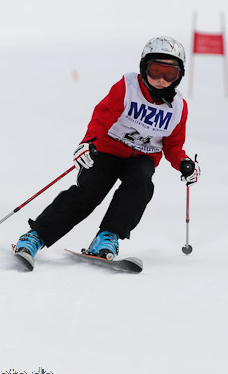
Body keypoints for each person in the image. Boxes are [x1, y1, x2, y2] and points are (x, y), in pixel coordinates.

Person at [13, 36, 201, 267]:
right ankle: (36, 236)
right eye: (156, 71)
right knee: (89, 193)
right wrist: (88, 143)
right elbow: (102, 119)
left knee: (141, 183)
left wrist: (184, 162)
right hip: (108, 150)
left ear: (179, 75)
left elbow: (172, 145)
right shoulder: (128, 87)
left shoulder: (178, 108)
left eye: (169, 74)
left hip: (142, 157)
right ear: (144, 68)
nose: (161, 80)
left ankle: (107, 237)